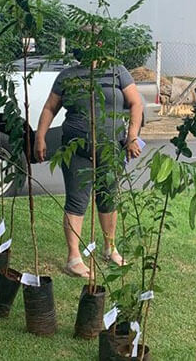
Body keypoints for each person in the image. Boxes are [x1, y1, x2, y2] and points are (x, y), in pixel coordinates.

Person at [34, 54, 143, 278]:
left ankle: (110, 248)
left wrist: (132, 136)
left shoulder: (117, 71)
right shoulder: (68, 76)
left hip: (111, 148)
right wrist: (40, 137)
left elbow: (136, 103)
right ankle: (74, 257)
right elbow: (49, 108)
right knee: (76, 198)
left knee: (108, 196)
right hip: (75, 149)